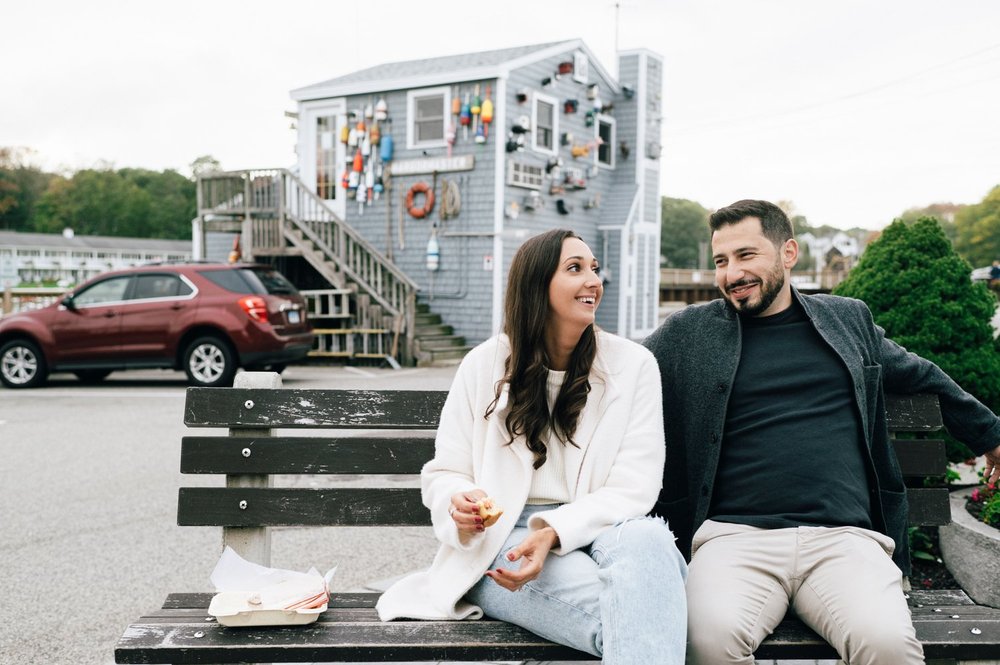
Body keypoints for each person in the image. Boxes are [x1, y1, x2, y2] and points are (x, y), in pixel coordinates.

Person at [643, 199, 1000, 665]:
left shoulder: (846, 320)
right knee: (704, 642)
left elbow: (921, 375)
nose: (731, 273)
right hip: (734, 541)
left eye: (746, 255)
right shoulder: (689, 333)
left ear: (788, 253)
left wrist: (991, 436)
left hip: (844, 541)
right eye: (721, 261)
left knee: (888, 645)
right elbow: (618, 374)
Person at [377, 228, 688, 663]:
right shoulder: (485, 364)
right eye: (575, 269)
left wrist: (555, 532)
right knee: (643, 616)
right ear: (537, 286)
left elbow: (635, 486)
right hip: (505, 537)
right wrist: (459, 503)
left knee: (651, 542)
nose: (593, 280)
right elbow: (446, 470)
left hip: (607, 526)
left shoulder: (634, 365)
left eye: (594, 269)